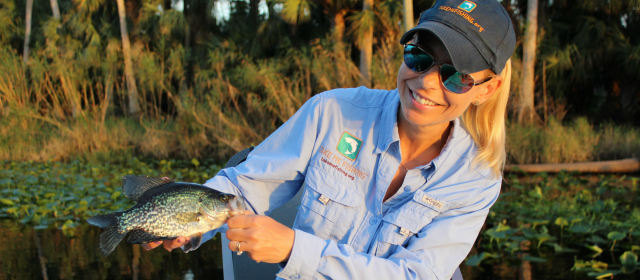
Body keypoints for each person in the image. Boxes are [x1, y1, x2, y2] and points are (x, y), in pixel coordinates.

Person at [143, 0, 516, 279]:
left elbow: (416, 275)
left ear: (488, 88)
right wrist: (186, 220)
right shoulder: (333, 111)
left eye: (456, 75)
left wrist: (293, 249)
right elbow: (246, 185)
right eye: (419, 56)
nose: (428, 81)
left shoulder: (475, 179)